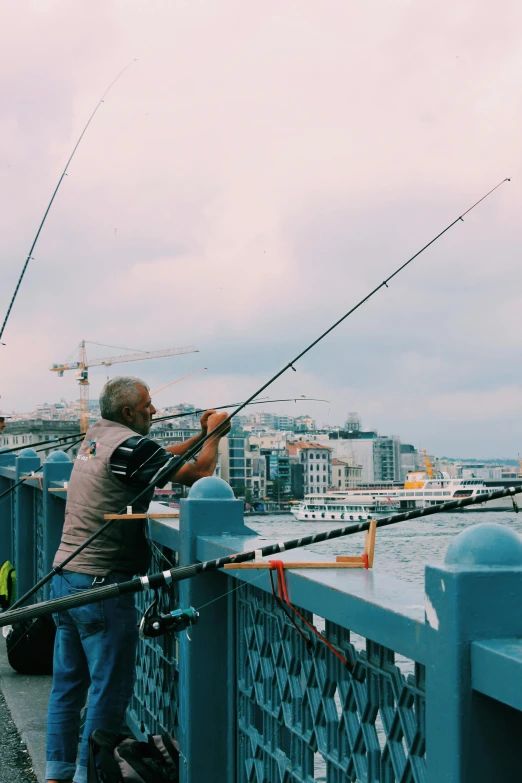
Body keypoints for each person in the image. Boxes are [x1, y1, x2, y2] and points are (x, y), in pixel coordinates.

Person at [46, 376, 230, 783]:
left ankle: (57, 773)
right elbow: (198, 474)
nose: (154, 410)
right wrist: (215, 435)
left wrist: (199, 434)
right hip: (102, 584)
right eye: (147, 405)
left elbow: (163, 460)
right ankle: (89, 777)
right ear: (128, 412)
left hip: (67, 575)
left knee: (68, 685)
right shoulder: (131, 446)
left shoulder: (97, 439)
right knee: (108, 689)